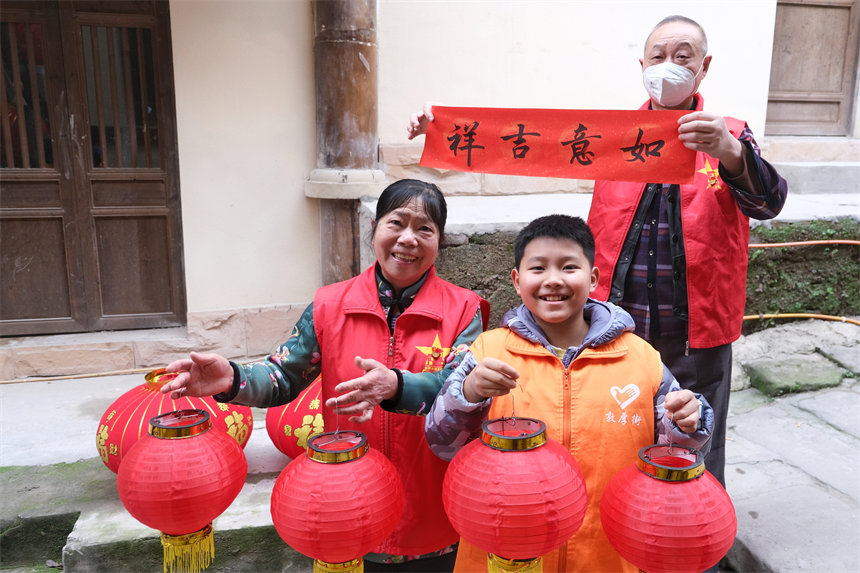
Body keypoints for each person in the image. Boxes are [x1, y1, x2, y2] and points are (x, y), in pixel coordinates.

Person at [407, 15, 787, 489]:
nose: (668, 65)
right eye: (658, 56)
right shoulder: (613, 136)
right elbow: (532, 141)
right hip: (614, 336)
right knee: (613, 445)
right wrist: (445, 131)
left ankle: (695, 547)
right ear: (642, 64)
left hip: (695, 336)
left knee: (695, 446)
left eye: (683, 55)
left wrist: (731, 151)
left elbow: (768, 201)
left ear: (704, 66)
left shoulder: (730, 134)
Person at [161, 179, 490, 572]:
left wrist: (396, 385)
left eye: (425, 229)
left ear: (439, 241)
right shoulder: (329, 305)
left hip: (432, 512)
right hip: (348, 505)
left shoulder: (465, 310)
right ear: (374, 230)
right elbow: (284, 375)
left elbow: (460, 389)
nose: (408, 239)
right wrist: (231, 378)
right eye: (396, 223)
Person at [424, 214, 713, 573]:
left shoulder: (641, 358)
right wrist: (467, 394)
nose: (553, 280)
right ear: (516, 280)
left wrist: (687, 422)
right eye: (538, 267)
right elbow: (442, 443)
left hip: (606, 553)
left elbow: (676, 452)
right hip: (505, 552)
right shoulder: (488, 352)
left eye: (568, 266)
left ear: (593, 278)